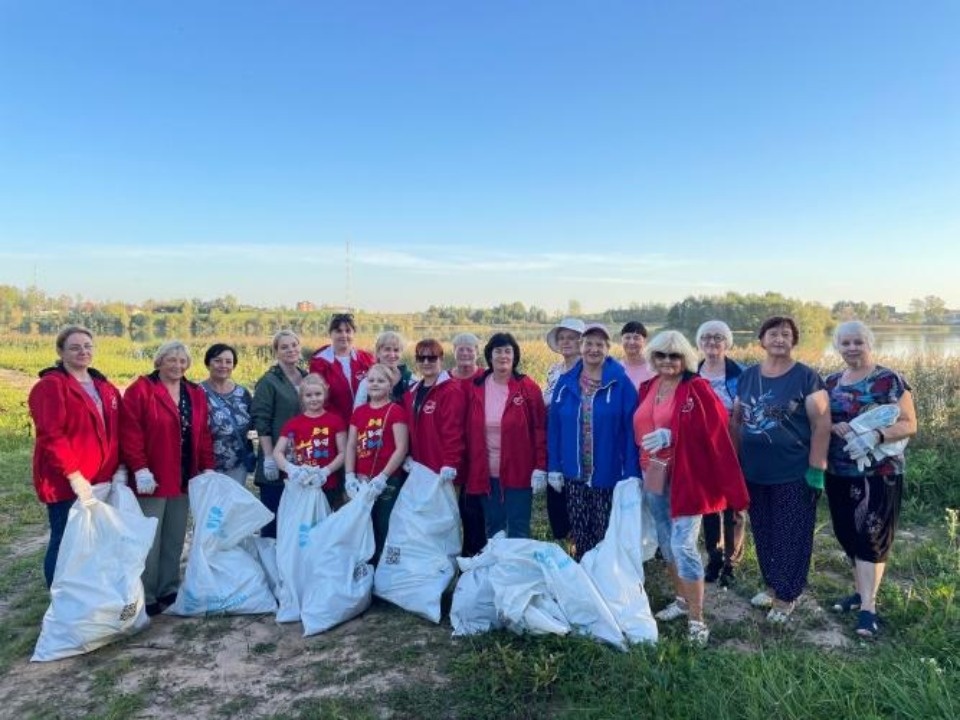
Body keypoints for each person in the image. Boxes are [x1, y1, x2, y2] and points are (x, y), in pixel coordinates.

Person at [635, 331, 749, 647]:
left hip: (688, 476)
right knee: (666, 540)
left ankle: (697, 618)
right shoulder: (648, 387)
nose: (668, 361)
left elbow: (715, 431)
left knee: (684, 544)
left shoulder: (696, 388)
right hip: (654, 474)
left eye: (674, 356)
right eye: (661, 355)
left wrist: (673, 436)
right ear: (652, 358)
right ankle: (681, 599)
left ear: (685, 358)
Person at [731, 316, 830, 623]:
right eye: (773, 334)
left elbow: (822, 423)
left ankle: (788, 596)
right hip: (754, 471)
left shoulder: (806, 377)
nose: (779, 339)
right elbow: (737, 420)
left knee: (791, 533)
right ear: (761, 340)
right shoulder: (747, 376)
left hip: (793, 471)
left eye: (786, 334)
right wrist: (734, 463)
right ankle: (773, 585)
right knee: (763, 530)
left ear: (793, 341)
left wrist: (817, 468)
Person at [825, 320, 917, 637]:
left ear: (869, 343)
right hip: (838, 471)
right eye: (846, 343)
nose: (852, 348)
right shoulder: (831, 381)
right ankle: (860, 592)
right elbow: (823, 421)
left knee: (872, 537)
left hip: (880, 472)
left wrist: (876, 434)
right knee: (848, 534)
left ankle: (869, 609)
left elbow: (909, 424)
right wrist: (833, 427)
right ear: (837, 346)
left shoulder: (888, 379)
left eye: (858, 342)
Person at [120, 340, 215, 616]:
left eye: (182, 361)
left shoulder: (195, 393)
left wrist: (207, 466)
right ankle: (147, 593)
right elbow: (130, 433)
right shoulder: (141, 390)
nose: (177, 365)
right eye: (171, 360)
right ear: (159, 362)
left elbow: (203, 433)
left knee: (174, 536)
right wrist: (139, 468)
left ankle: (169, 588)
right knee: (151, 537)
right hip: (153, 476)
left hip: (184, 475)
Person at [28, 326, 124, 589]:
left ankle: (85, 594)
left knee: (93, 541)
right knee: (66, 541)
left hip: (102, 479)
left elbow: (116, 430)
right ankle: (60, 599)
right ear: (60, 352)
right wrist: (73, 475)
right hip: (68, 481)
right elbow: (51, 434)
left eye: (87, 346)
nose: (83, 351)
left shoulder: (104, 386)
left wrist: (119, 468)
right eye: (75, 347)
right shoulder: (51, 386)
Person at [547, 323, 639, 560]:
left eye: (600, 344)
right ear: (581, 346)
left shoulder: (621, 383)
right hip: (574, 473)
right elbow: (555, 427)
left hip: (609, 474)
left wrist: (632, 472)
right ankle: (584, 583)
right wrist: (554, 468)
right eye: (589, 343)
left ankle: (608, 583)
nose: (593, 349)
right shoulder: (566, 382)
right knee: (580, 532)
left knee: (606, 533)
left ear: (608, 349)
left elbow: (631, 431)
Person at [464, 333, 547, 539]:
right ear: (489, 356)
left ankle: (518, 569)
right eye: (498, 351)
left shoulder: (528, 388)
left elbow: (540, 429)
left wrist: (541, 466)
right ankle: (497, 570)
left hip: (518, 471)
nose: (503, 356)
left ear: (515, 356)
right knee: (494, 527)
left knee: (518, 527)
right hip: (486, 473)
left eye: (508, 351)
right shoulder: (476, 387)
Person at [695, 320, 746, 586]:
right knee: (709, 505)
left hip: (733, 444)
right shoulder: (692, 372)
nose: (712, 342)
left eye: (718, 337)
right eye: (706, 337)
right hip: (701, 450)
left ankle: (731, 563)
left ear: (727, 342)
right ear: (699, 342)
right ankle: (713, 557)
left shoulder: (741, 374)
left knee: (733, 505)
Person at [345, 364, 410, 563]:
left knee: (384, 525)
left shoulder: (396, 411)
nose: (375, 384)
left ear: (390, 386)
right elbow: (351, 445)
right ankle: (364, 567)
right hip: (362, 480)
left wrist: (383, 476)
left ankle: (382, 571)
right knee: (363, 526)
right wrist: (349, 476)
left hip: (387, 481)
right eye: (371, 380)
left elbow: (401, 447)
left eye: (381, 381)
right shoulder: (359, 412)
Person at [251, 329, 307, 538]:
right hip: (276, 456)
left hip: (302, 458)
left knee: (296, 520)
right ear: (276, 352)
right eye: (284, 347)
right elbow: (261, 420)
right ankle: (270, 565)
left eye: (294, 345)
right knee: (274, 519)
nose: (291, 350)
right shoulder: (269, 381)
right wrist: (268, 457)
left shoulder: (306, 377)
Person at [272, 374, 347, 510]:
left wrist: (326, 471)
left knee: (325, 526)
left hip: (327, 484)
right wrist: (291, 469)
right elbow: (278, 452)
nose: (314, 398)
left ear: (325, 394)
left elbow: (343, 452)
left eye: (318, 394)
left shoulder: (335, 421)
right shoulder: (292, 424)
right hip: (300, 484)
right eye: (309, 395)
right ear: (302, 397)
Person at [542, 317, 585, 543]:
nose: (566, 342)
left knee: (577, 501)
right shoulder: (553, 370)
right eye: (562, 338)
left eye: (572, 338)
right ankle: (569, 545)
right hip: (554, 438)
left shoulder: (587, 370)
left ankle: (582, 548)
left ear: (581, 341)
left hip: (577, 442)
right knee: (557, 504)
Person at [404, 338, 465, 485]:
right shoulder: (412, 392)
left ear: (441, 359)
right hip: (419, 469)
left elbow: (454, 431)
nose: (426, 362)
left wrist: (450, 463)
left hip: (443, 471)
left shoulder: (451, 390)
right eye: (421, 358)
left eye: (431, 358)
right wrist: (408, 455)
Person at [449, 332, 487, 556]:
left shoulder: (486, 377)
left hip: (479, 450)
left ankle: (474, 553)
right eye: (460, 348)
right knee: (453, 509)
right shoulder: (445, 378)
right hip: (453, 452)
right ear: (453, 352)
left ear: (477, 352)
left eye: (469, 348)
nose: (464, 352)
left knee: (474, 508)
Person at [201, 343, 254, 486]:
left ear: (233, 366)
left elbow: (255, 422)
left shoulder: (242, 393)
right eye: (217, 361)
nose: (223, 365)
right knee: (211, 507)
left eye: (228, 362)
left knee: (234, 506)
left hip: (238, 464)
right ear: (208, 364)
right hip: (207, 466)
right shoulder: (197, 392)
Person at [309, 313, 375, 423]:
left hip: (365, 422)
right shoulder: (319, 363)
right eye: (338, 331)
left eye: (348, 331)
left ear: (354, 333)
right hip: (334, 424)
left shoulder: (366, 359)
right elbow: (318, 399)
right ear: (330, 333)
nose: (344, 335)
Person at [353, 331, 414, 407]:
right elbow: (357, 413)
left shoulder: (411, 380)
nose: (392, 355)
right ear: (378, 352)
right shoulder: (367, 382)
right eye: (387, 349)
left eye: (396, 350)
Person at [619, 320, 656, 390]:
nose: (631, 342)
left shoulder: (655, 368)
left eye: (636, 338)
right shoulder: (616, 368)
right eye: (627, 338)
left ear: (644, 341)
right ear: (622, 340)